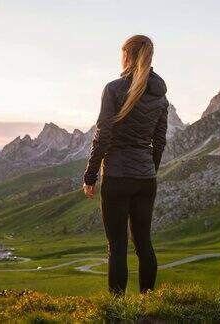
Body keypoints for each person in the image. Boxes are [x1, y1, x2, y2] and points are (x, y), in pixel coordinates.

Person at [82, 34, 169, 295]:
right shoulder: (161, 97)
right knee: (144, 244)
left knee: (117, 248)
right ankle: (148, 304)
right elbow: (160, 141)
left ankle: (118, 310)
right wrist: (148, 170)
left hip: (117, 176)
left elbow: (103, 136)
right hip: (145, 178)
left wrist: (90, 176)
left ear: (127, 55)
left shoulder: (114, 89)